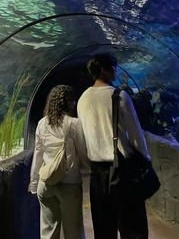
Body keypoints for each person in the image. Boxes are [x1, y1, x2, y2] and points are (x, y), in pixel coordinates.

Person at [77, 53, 151, 239]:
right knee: (133, 229)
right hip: (123, 172)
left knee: (103, 230)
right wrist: (145, 161)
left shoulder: (82, 99)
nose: (115, 71)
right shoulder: (120, 96)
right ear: (103, 69)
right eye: (113, 67)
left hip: (97, 176)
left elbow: (83, 138)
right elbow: (136, 137)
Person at [28, 84, 88, 239]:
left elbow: (38, 156)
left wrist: (34, 183)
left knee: (48, 232)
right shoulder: (74, 124)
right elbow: (83, 153)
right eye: (73, 101)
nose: (74, 103)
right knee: (73, 231)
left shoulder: (42, 124)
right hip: (70, 184)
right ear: (68, 103)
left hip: (46, 183)